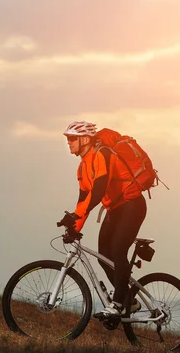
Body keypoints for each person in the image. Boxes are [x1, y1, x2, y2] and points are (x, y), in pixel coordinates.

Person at [60, 121, 148, 316]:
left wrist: (76, 216)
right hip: (115, 209)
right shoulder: (82, 168)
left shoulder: (103, 154)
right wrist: (74, 225)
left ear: (84, 139)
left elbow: (98, 191)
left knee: (117, 250)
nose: (69, 142)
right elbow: (83, 201)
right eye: (67, 139)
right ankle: (128, 301)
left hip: (132, 205)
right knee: (103, 257)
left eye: (72, 138)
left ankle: (117, 303)